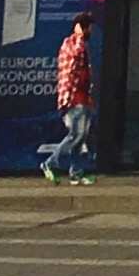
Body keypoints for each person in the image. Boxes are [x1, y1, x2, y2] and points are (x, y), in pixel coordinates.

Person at [42, 11, 97, 183]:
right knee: (76, 135)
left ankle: (76, 173)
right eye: (89, 28)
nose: (91, 32)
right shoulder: (70, 43)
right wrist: (79, 34)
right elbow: (74, 55)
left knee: (81, 138)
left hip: (83, 98)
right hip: (73, 99)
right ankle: (50, 163)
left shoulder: (82, 46)